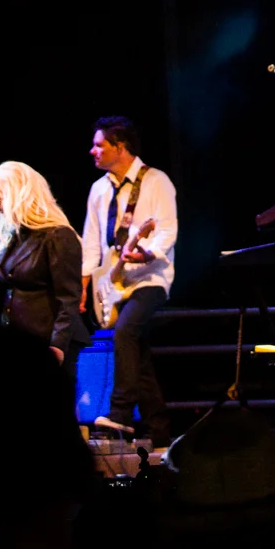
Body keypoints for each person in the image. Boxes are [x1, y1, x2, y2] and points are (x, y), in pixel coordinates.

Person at [81, 115, 176, 449]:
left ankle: (120, 412)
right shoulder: (98, 189)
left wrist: (147, 253)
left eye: (99, 145)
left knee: (125, 332)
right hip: (114, 280)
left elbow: (167, 229)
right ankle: (160, 430)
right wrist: (85, 285)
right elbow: (92, 241)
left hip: (150, 279)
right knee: (138, 354)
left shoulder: (156, 181)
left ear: (119, 147)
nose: (92, 151)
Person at [0, 161, 85, 373]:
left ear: (17, 196)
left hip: (47, 342)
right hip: (21, 341)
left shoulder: (58, 236)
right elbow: (18, 281)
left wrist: (57, 346)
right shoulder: (18, 237)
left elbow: (69, 299)